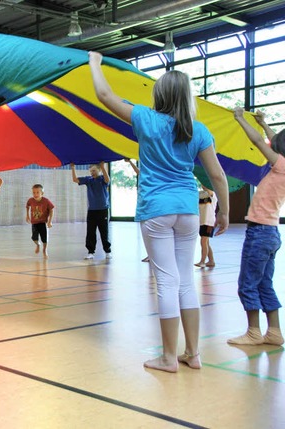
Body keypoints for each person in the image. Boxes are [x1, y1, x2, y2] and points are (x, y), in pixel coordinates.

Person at [89, 51, 229, 372]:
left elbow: (104, 95)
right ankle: (192, 353)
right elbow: (217, 175)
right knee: (185, 282)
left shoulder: (146, 119)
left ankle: (169, 357)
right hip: (187, 209)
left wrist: (95, 63)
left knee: (165, 282)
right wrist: (223, 211)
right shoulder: (198, 129)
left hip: (156, 210)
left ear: (159, 95)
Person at [227, 108, 285, 346]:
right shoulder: (283, 165)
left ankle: (253, 332)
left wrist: (241, 119)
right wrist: (264, 123)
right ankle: (274, 332)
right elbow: (271, 141)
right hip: (270, 233)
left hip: (260, 233)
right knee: (264, 284)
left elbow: (259, 142)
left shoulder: (281, 165)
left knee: (247, 284)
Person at [71, 162, 112, 259]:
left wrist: (103, 166)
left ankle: (107, 251)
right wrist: (73, 168)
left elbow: (108, 179)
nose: (92, 172)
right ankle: (90, 252)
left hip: (103, 209)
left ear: (99, 170)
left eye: (94, 170)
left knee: (104, 231)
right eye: (91, 171)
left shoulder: (102, 179)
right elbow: (75, 179)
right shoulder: (88, 180)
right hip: (92, 210)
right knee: (90, 232)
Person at [125, 158, 150, 263]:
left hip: (150, 206)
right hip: (144, 206)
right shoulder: (143, 177)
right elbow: (138, 172)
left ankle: (152, 255)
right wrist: (130, 162)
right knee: (147, 233)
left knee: (150, 232)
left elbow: (139, 172)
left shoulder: (150, 177)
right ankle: (151, 254)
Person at [25, 184, 55, 259]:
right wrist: (27, 215)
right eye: (34, 192)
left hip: (43, 222)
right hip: (34, 222)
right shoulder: (30, 200)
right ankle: (38, 244)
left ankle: (44, 250)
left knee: (44, 238)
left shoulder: (46, 201)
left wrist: (50, 221)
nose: (35, 194)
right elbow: (27, 206)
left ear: (42, 193)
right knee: (34, 238)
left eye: (38, 192)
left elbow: (51, 210)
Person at [195, 185, 217, 268]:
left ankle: (202, 261)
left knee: (203, 241)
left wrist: (205, 184)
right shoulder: (200, 194)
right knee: (206, 242)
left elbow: (210, 191)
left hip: (209, 221)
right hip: (201, 221)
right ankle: (211, 261)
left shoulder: (213, 194)